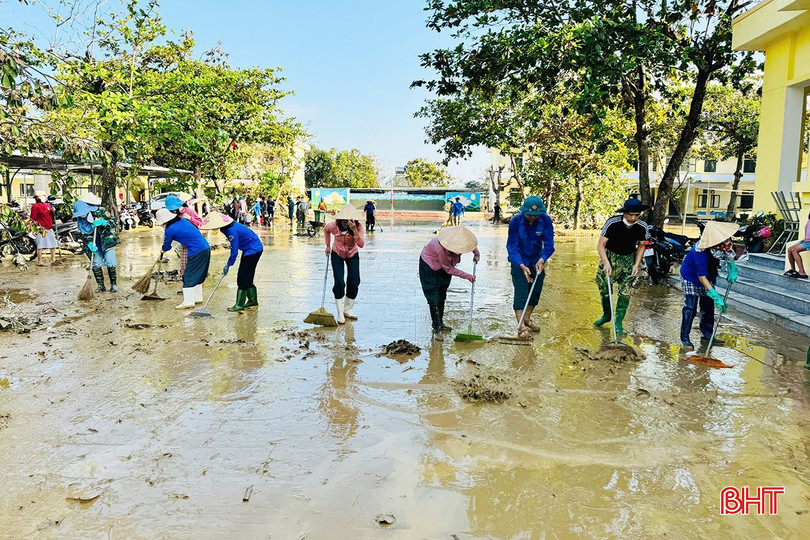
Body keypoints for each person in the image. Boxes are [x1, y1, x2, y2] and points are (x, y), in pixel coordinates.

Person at [679, 221, 739, 348]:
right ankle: (685, 337)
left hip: (708, 275)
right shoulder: (699, 252)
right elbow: (701, 277)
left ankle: (707, 333)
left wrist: (732, 266)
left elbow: (729, 253)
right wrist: (715, 294)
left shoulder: (723, 242)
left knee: (708, 306)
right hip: (691, 277)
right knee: (691, 307)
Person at [594, 198, 649, 335]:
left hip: (629, 259)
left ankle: (618, 323)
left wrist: (637, 264)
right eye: (630, 214)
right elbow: (601, 245)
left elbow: (642, 246)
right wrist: (606, 262)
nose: (633, 218)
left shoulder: (642, 226)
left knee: (625, 293)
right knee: (605, 289)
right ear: (624, 213)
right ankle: (607, 315)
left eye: (636, 215)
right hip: (610, 257)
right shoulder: (613, 223)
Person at [507, 196, 555, 339]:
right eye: (529, 215)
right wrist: (521, 265)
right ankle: (521, 328)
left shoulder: (546, 220)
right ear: (523, 212)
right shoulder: (515, 221)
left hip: (536, 260)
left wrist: (542, 259)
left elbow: (549, 244)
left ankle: (527, 319)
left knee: (535, 292)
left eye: (536, 215)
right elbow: (512, 246)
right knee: (521, 293)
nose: (533, 218)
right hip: (519, 261)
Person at [419, 226, 480, 341]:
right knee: (433, 296)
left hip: (445, 265)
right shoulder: (440, 249)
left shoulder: (460, 239)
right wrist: (468, 276)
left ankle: (440, 322)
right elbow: (449, 269)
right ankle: (437, 328)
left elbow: (470, 244)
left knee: (442, 293)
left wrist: (476, 253)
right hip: (429, 266)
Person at [201, 212, 264, 313]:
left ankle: (240, 305)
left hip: (253, 250)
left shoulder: (231, 230)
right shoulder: (226, 227)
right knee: (247, 277)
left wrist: (228, 264)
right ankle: (253, 302)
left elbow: (234, 250)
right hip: (251, 249)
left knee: (242, 278)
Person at [156, 208, 210, 310]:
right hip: (206, 248)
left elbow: (167, 246)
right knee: (198, 274)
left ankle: (188, 302)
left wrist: (162, 250)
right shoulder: (182, 221)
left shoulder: (170, 229)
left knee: (188, 275)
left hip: (196, 251)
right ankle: (197, 298)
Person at [324, 204, 366, 324]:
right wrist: (327, 245)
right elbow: (326, 230)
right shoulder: (334, 225)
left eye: (349, 220)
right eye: (344, 220)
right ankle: (340, 313)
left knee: (354, 281)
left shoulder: (358, 227)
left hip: (352, 253)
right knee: (339, 282)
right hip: (337, 253)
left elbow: (361, 244)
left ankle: (348, 310)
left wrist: (354, 231)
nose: (346, 222)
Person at [72, 193, 119, 292]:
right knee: (96, 264)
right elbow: (84, 234)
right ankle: (101, 286)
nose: (82, 215)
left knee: (110, 263)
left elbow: (114, 222)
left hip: (106, 241)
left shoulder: (100, 211)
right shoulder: (80, 220)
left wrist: (104, 223)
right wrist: (89, 243)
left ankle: (114, 285)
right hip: (94, 244)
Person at [165, 195, 203, 284]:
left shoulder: (190, 212)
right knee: (184, 268)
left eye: (173, 210)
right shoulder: (174, 216)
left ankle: (193, 288)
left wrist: (190, 218)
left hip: (195, 245)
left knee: (193, 268)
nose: (172, 212)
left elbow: (201, 225)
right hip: (184, 245)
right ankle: (186, 287)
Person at [30, 190, 58, 266]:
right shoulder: (35, 206)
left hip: (49, 228)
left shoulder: (48, 206)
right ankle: (39, 261)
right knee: (40, 245)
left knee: (53, 244)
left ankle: (53, 259)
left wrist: (53, 211)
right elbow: (33, 218)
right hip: (41, 229)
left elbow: (51, 215)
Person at [785, 211, 810, 279]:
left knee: (794, 250)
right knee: (790, 249)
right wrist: (805, 237)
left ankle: (802, 272)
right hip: (806, 240)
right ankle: (793, 269)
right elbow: (807, 225)